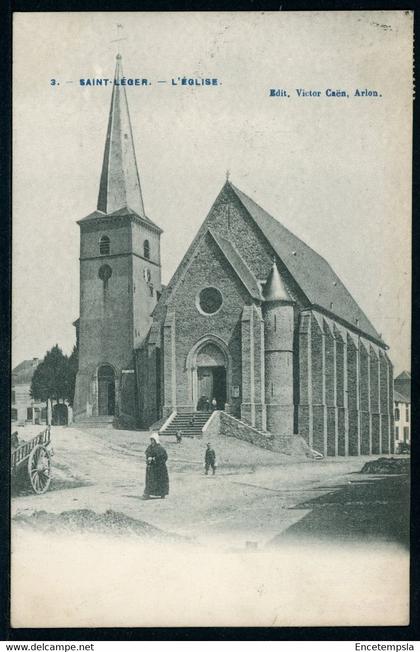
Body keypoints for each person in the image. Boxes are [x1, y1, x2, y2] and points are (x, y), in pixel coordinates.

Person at [143, 434, 169, 499]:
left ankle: (162, 493)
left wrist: (155, 459)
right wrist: (148, 458)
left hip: (159, 468)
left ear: (156, 440)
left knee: (160, 480)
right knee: (150, 480)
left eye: (153, 440)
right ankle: (147, 493)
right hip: (151, 467)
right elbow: (147, 453)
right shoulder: (149, 447)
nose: (152, 441)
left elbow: (164, 457)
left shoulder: (160, 448)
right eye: (151, 440)